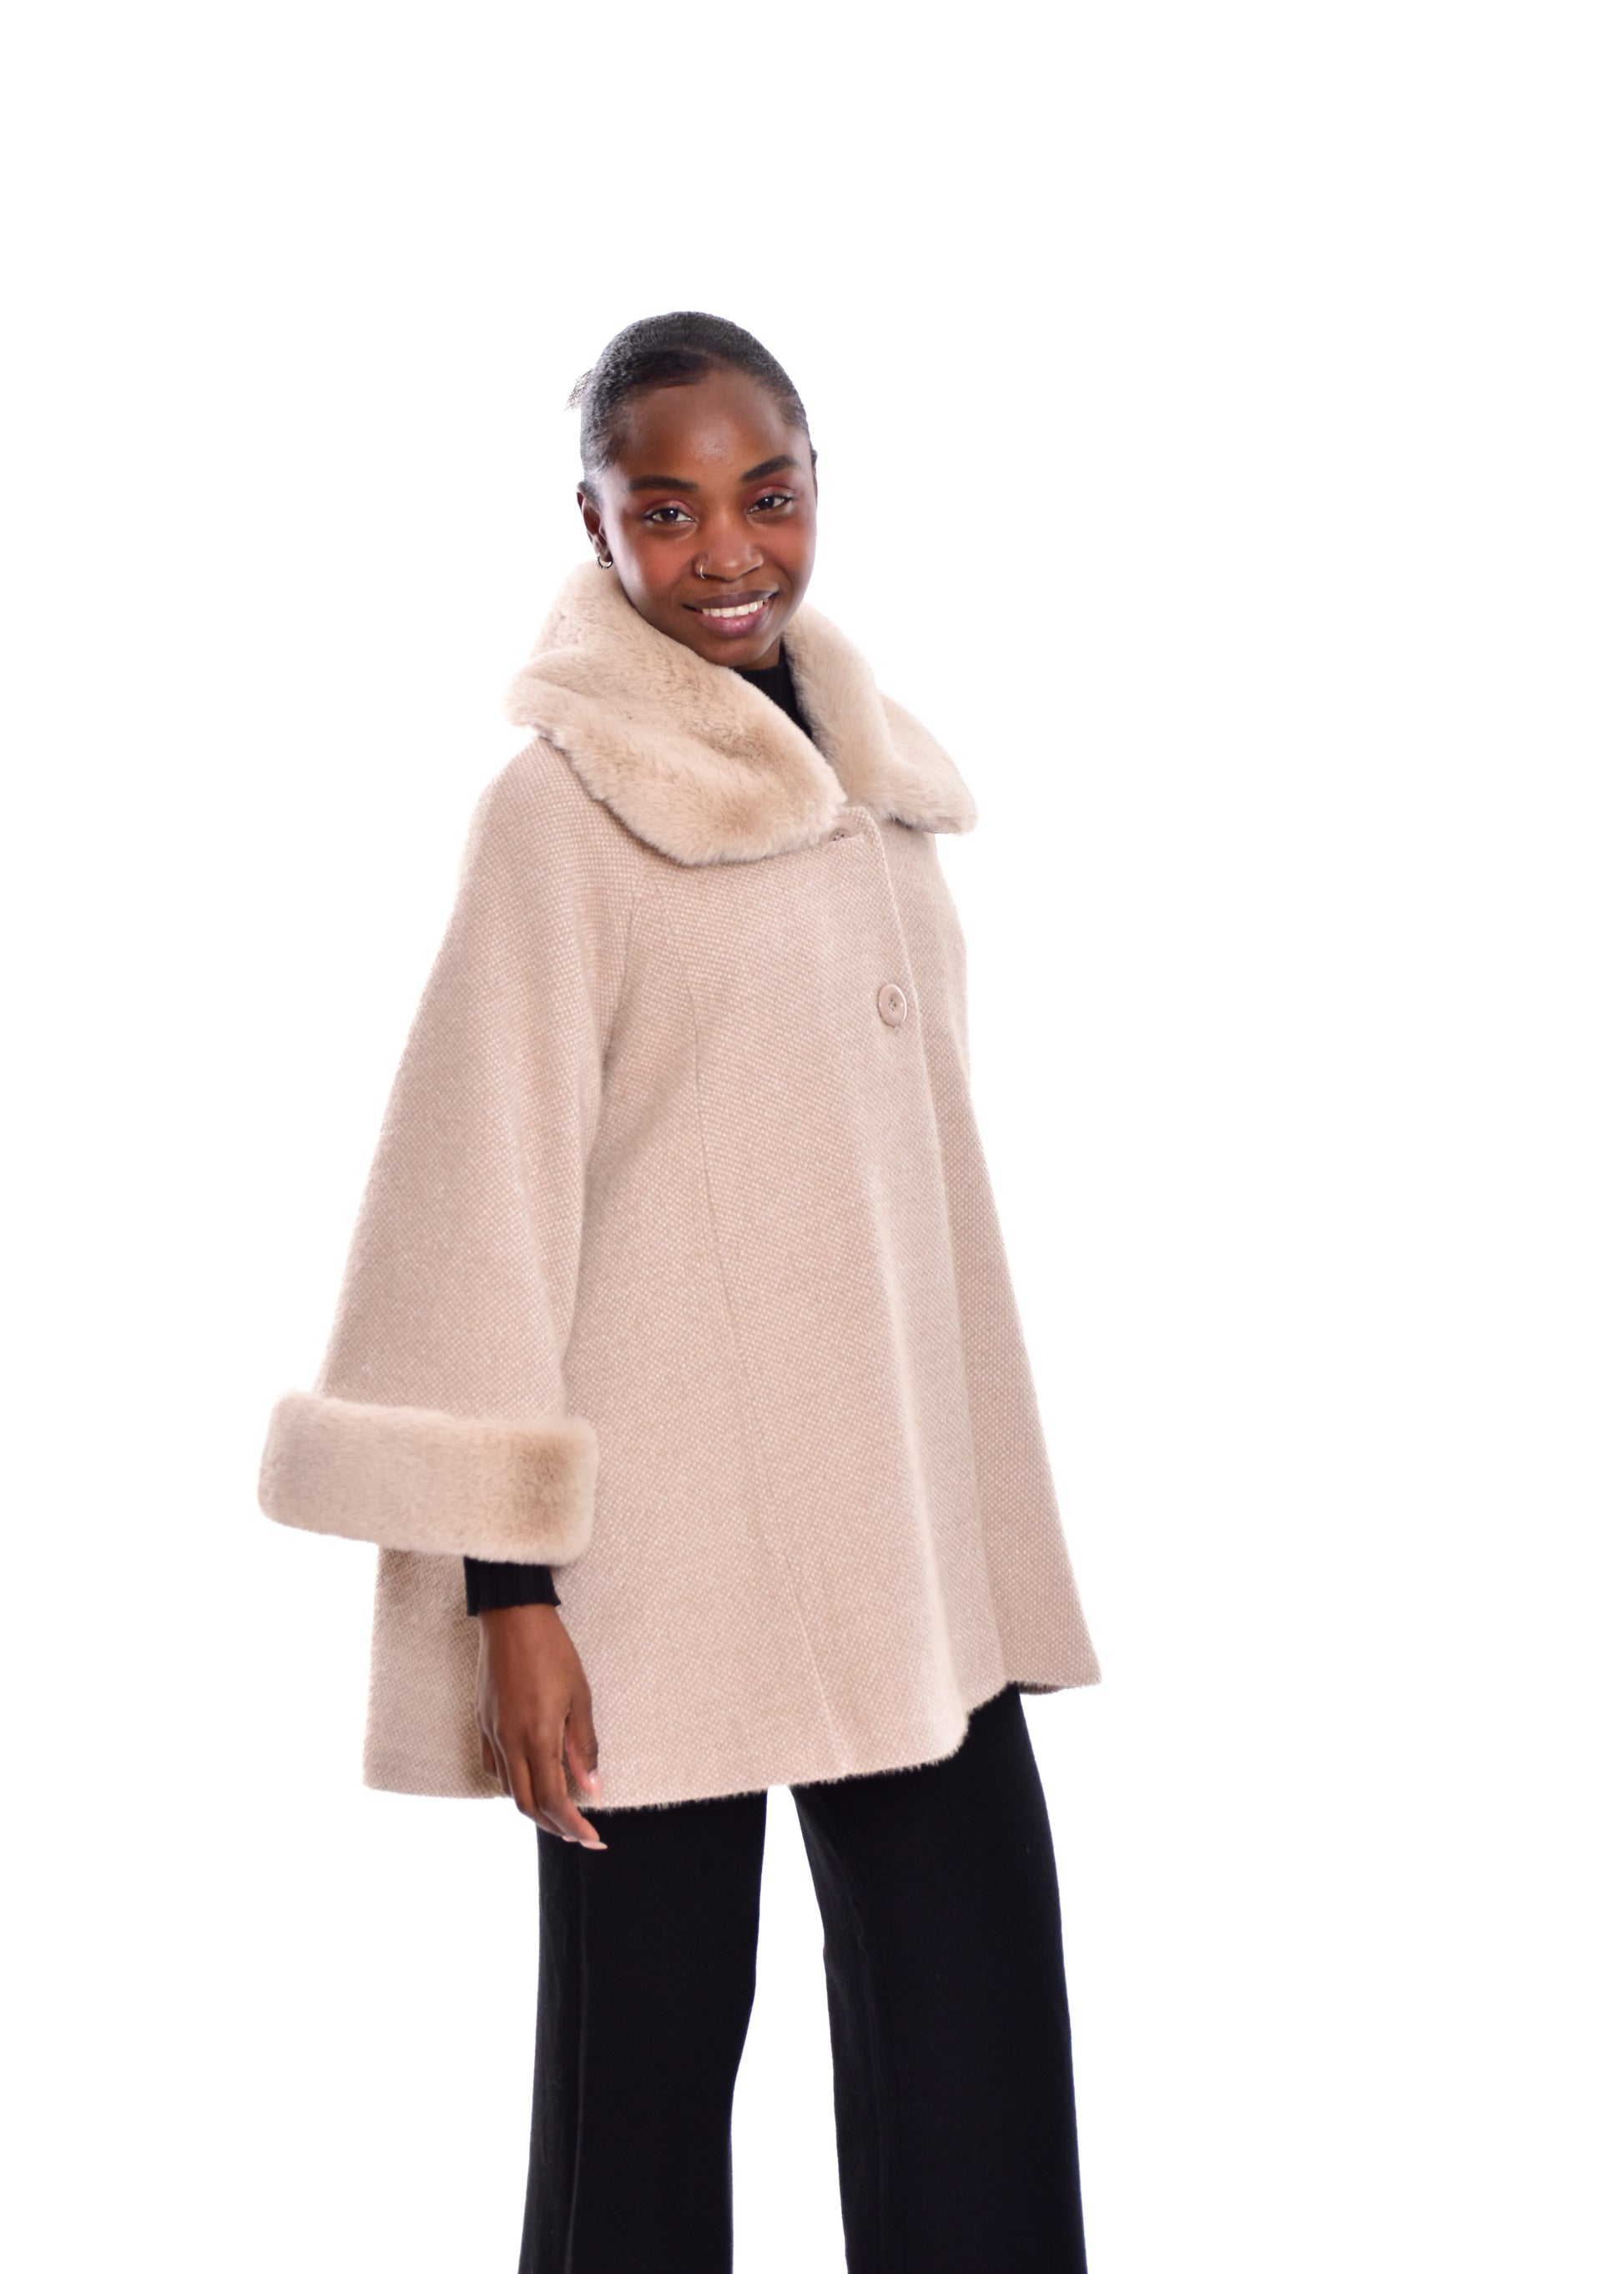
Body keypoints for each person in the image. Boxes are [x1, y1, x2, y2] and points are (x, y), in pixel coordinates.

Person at [259, 310, 1102, 2272]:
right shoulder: (558, 816)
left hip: (900, 1545)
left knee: (979, 2042)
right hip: (651, 1570)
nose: (728, 548)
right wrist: (513, 1596)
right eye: (666, 508)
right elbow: (476, 1201)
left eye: (767, 495)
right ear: (596, 522)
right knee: (634, 2094)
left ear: (816, 492)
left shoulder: (872, 790)